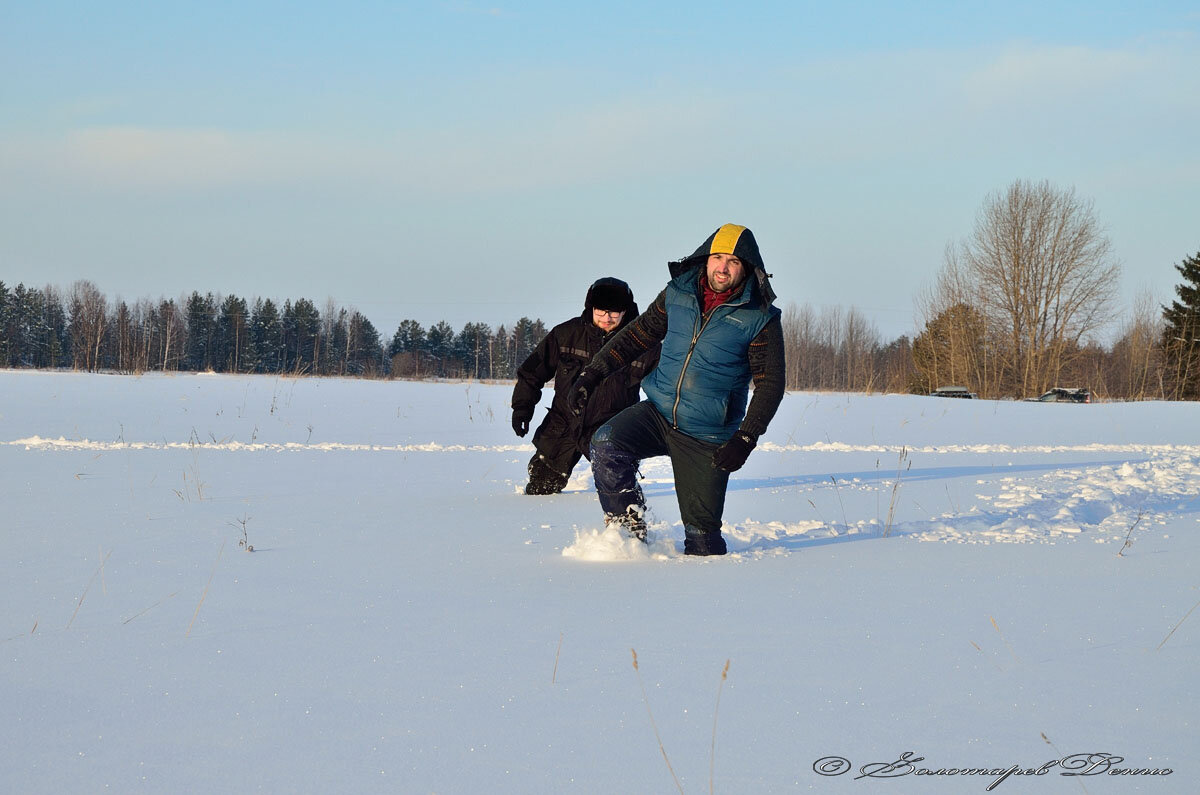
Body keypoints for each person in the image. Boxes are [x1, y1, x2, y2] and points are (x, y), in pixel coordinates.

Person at [568, 224, 785, 555]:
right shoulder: (679, 293)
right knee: (606, 443)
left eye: (733, 261)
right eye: (717, 258)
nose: (722, 268)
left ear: (747, 267)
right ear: (705, 258)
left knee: (703, 542)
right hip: (657, 413)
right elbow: (636, 336)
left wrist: (745, 437)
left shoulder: (759, 316)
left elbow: (771, 384)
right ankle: (627, 533)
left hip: (707, 434)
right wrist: (592, 374)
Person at [511, 277, 660, 495]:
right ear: (590, 307)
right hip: (563, 425)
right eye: (600, 311)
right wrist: (522, 408)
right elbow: (532, 372)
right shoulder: (565, 335)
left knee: (618, 492)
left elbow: (665, 390)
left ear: (625, 311)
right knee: (541, 487)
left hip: (612, 429)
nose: (607, 318)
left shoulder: (645, 346)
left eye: (614, 312)